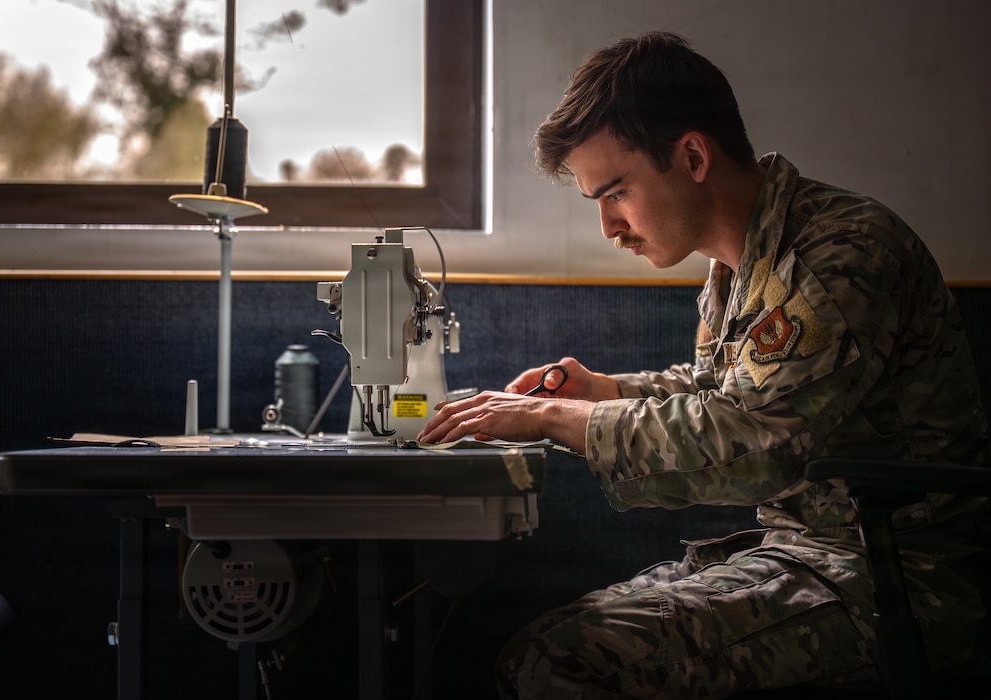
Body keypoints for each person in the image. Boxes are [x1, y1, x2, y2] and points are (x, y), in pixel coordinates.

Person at [417, 31, 990, 698]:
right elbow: (731, 388)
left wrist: (556, 416)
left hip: (903, 581)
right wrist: (603, 391)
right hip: (814, 559)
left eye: (616, 193)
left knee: (561, 662)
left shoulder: (839, 256)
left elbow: (751, 442)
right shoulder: (741, 262)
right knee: (548, 643)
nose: (608, 225)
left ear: (691, 156)